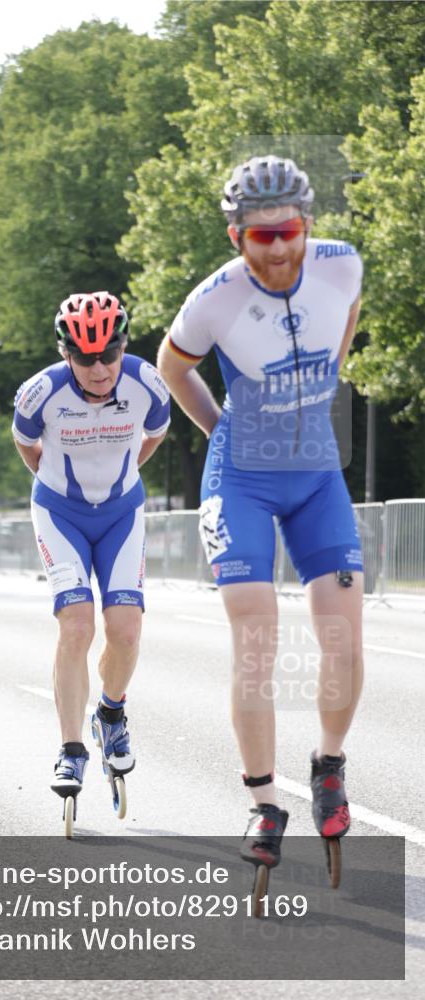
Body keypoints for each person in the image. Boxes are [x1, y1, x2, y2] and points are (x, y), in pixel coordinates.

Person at [157, 155, 363, 867]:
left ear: (307, 225)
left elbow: (348, 315)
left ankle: (327, 765)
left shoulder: (341, 266)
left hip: (314, 475)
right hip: (241, 476)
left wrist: (324, 383)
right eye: (259, 237)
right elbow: (171, 365)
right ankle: (262, 801)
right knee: (255, 635)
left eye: (288, 231)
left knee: (341, 636)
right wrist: (217, 426)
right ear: (233, 237)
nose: (276, 248)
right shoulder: (212, 299)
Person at [12, 291, 170, 808]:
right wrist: (57, 483)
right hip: (61, 513)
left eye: (110, 353)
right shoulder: (39, 395)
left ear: (124, 345)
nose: (100, 368)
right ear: (65, 354)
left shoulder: (147, 383)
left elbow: (155, 434)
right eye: (85, 358)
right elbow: (26, 446)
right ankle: (71, 748)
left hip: (122, 512)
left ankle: (111, 713)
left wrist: (124, 475)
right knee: (77, 623)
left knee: (125, 630)